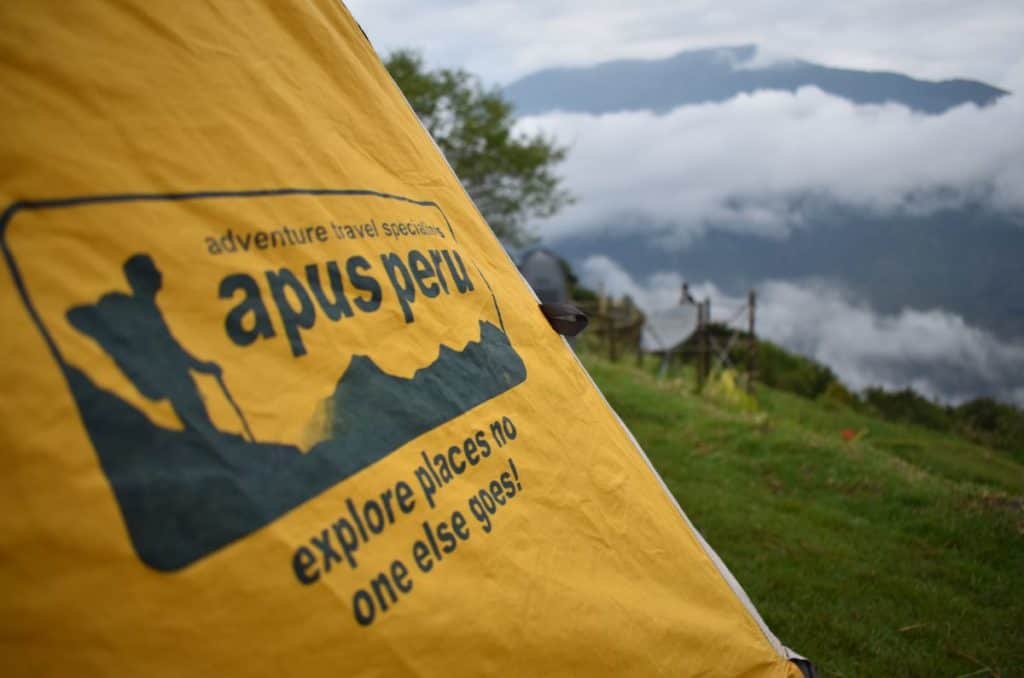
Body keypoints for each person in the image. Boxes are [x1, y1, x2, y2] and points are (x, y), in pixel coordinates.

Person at [67, 254, 224, 439]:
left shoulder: (145, 308)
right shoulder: (134, 309)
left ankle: (205, 435)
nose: (159, 274)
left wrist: (202, 367)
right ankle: (205, 436)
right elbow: (170, 349)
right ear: (140, 277)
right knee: (185, 392)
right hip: (158, 377)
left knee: (185, 392)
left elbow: (171, 348)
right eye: (153, 271)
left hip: (163, 375)